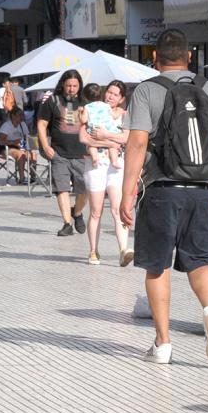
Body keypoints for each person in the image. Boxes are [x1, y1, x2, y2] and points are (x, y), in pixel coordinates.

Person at [119, 28, 208, 364]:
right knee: (201, 260)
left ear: (154, 58)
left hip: (162, 190)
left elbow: (137, 143)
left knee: (157, 266)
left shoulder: (146, 90)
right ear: (190, 56)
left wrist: (127, 192)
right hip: (202, 190)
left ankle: (163, 342)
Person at [79, 80, 132, 267]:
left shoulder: (125, 116)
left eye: (115, 94)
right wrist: (111, 143)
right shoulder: (92, 110)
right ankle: (93, 250)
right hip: (96, 164)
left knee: (119, 209)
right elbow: (83, 137)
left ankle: (124, 250)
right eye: (108, 92)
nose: (110, 96)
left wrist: (104, 137)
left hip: (116, 165)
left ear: (122, 99)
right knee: (96, 211)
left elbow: (126, 138)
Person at [36, 69, 88, 237]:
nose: (72, 89)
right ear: (62, 85)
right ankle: (67, 223)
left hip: (82, 153)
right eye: (68, 85)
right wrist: (45, 146)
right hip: (59, 153)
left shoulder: (85, 100)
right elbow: (42, 124)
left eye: (75, 85)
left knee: (85, 189)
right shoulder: (52, 100)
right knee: (62, 188)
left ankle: (77, 212)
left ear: (80, 85)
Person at [79, 83, 123, 170]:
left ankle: (94, 158)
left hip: (94, 130)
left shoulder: (87, 107)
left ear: (86, 98)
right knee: (113, 147)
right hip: (109, 129)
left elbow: (83, 120)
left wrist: (80, 113)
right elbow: (114, 116)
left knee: (91, 146)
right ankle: (114, 161)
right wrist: (120, 111)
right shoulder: (106, 105)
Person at [0, 107, 33, 184]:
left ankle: (33, 177)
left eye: (22, 115)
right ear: (13, 116)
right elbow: (0, 140)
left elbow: (27, 137)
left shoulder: (23, 125)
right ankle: (22, 179)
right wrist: (13, 142)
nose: (22, 117)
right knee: (20, 154)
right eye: (20, 115)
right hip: (4, 148)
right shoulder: (7, 125)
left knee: (33, 155)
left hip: (20, 146)